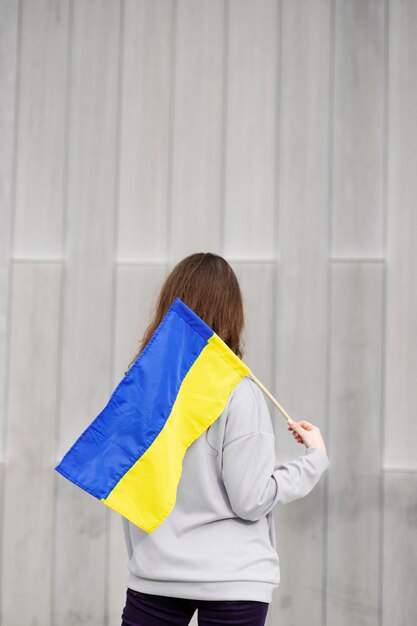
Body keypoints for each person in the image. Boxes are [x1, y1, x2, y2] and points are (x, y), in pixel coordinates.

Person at [120, 252, 329, 626]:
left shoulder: (142, 387)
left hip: (155, 573)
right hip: (233, 582)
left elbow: (129, 486)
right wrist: (313, 461)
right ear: (232, 313)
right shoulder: (238, 392)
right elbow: (251, 500)